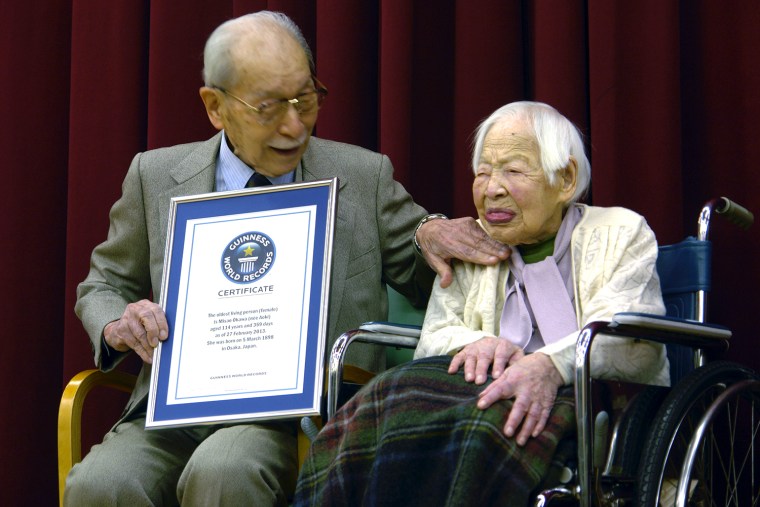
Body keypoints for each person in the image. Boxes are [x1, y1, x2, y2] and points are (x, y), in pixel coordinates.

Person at [66, 11, 508, 507]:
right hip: (174, 415)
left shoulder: (362, 176)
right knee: (98, 484)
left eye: (306, 99)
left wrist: (430, 232)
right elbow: (102, 285)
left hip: (299, 415)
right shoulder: (155, 175)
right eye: (269, 107)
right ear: (215, 107)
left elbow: (432, 273)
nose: (295, 125)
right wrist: (116, 324)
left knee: (225, 469)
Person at [294, 101, 671, 506]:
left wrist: (547, 364)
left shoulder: (620, 232)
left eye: (512, 170)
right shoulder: (472, 243)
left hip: (579, 400)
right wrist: (474, 343)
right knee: (388, 401)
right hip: (472, 399)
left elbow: (632, 337)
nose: (492, 188)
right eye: (483, 172)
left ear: (565, 179)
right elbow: (434, 339)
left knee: (485, 424)